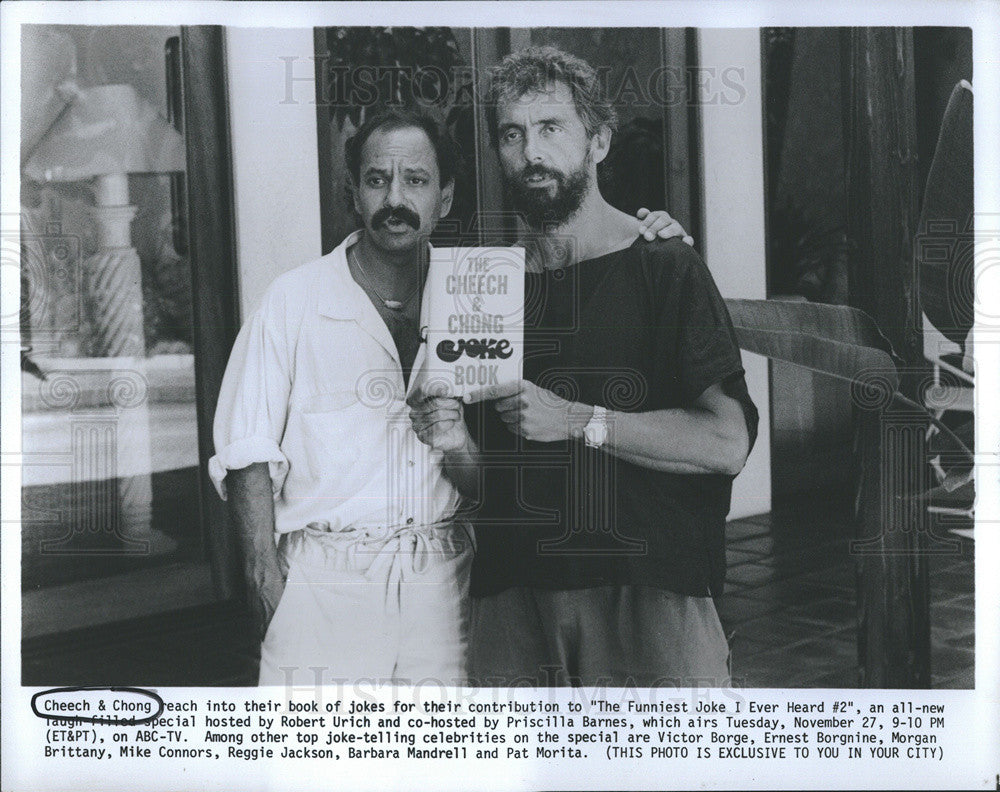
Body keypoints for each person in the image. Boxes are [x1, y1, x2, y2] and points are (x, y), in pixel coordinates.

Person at [210, 105, 689, 686]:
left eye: (416, 180)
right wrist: (266, 588)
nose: (395, 199)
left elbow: (493, 479)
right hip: (323, 579)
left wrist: (652, 238)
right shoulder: (292, 302)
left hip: (442, 574)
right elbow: (247, 452)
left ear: (446, 197)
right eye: (376, 179)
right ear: (352, 193)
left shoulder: (482, 295)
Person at [409, 47, 759, 688]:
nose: (530, 152)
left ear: (598, 141)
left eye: (551, 128)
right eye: (512, 134)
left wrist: (578, 419)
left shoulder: (662, 264)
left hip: (648, 597)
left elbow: (727, 441)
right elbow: (486, 481)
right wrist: (451, 438)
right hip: (515, 601)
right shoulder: (486, 286)